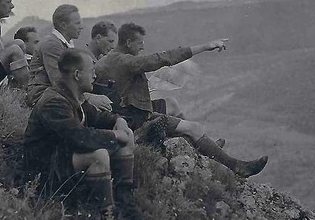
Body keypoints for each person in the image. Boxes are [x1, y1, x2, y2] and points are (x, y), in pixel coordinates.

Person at [95, 22, 268, 178]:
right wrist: (205, 47)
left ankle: (198, 143)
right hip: (134, 119)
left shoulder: (108, 60)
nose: (142, 47)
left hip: (122, 113)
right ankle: (236, 166)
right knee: (194, 127)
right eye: (140, 43)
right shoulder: (126, 61)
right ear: (128, 43)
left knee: (171, 104)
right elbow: (163, 58)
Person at [24, 49, 143, 220]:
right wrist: (114, 135)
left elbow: (96, 117)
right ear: (77, 74)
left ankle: (124, 200)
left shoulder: (71, 96)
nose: (95, 75)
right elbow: (79, 137)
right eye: (91, 70)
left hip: (61, 160)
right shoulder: (54, 101)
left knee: (127, 135)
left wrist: (119, 121)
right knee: (98, 156)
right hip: (43, 170)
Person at [26, 4, 112, 110]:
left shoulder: (64, 44)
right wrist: (89, 98)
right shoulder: (52, 44)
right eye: (77, 23)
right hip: (41, 95)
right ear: (64, 25)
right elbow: (58, 80)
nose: (81, 26)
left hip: (54, 93)